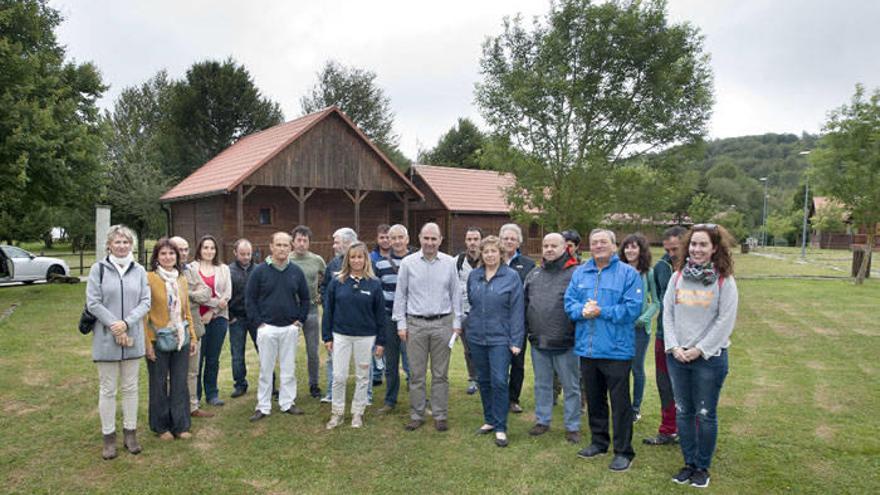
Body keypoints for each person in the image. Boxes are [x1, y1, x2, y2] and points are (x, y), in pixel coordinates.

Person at [664, 224, 738, 489]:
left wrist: (700, 349)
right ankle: (689, 463)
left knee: (705, 414)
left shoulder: (724, 280)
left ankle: (702, 467)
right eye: (693, 244)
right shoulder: (677, 277)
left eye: (703, 244)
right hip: (678, 357)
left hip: (709, 358)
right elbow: (668, 314)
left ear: (714, 248)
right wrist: (674, 347)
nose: (696, 249)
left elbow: (725, 321)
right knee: (684, 412)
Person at [564, 228, 642, 472]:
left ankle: (623, 451)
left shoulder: (627, 274)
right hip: (587, 349)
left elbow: (633, 309)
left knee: (620, 404)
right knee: (595, 400)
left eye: (603, 242)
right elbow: (569, 303)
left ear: (613, 245)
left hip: (616, 349)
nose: (598, 246)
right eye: (594, 242)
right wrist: (581, 311)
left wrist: (602, 311)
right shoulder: (580, 273)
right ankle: (599, 442)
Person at [86, 225, 151, 460]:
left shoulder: (139, 270)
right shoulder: (98, 270)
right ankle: (108, 437)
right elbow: (93, 303)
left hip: (132, 337)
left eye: (126, 242)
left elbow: (145, 301)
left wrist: (127, 322)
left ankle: (130, 433)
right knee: (108, 389)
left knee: (131, 388)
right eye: (118, 242)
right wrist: (115, 325)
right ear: (109, 245)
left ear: (131, 245)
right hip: (106, 338)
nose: (122, 246)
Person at [392, 222, 463, 432]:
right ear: (419, 238)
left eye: (434, 239)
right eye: (426, 238)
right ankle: (417, 414)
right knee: (416, 373)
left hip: (443, 324)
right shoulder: (407, 263)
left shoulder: (450, 263)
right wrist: (401, 324)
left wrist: (457, 324)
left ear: (440, 240)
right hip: (416, 324)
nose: (430, 242)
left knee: (440, 374)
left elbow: (456, 295)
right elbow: (401, 295)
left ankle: (440, 414)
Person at [466, 236, 524, 447]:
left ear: (501, 253)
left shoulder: (511, 277)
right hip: (476, 337)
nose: (490, 255)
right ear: (481, 254)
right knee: (484, 380)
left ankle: (501, 426)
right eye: (486, 251)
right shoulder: (474, 276)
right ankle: (489, 419)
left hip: (501, 338)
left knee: (499, 380)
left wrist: (516, 340)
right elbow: (472, 303)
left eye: (493, 251)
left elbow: (517, 311)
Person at [524, 233, 582, 444]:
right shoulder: (534, 274)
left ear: (565, 247)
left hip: (566, 343)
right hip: (539, 341)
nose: (549, 249)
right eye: (545, 245)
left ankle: (572, 425)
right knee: (542, 384)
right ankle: (543, 420)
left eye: (553, 246)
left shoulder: (576, 273)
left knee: (571, 386)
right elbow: (525, 303)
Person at [247, 232, 311, 421]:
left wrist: (299, 321)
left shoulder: (296, 271)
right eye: (279, 245)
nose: (282, 248)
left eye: (285, 245)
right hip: (267, 328)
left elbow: (306, 298)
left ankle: (287, 403)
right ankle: (263, 406)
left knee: (288, 368)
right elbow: (250, 299)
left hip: (289, 328)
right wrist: (259, 324)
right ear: (271, 247)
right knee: (266, 370)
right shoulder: (259, 271)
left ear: (290, 248)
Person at [322, 242, 387, 428]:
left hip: (365, 337)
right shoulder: (337, 282)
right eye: (353, 257)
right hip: (341, 335)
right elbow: (328, 310)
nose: (356, 260)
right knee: (339, 376)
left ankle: (357, 412)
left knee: (362, 377)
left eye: (360, 257)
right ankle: (337, 413)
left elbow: (380, 315)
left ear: (366, 259)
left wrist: (381, 341)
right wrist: (327, 336)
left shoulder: (374, 284)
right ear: (347, 260)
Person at [144, 238, 198, 440]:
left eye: (171, 253)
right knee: (158, 383)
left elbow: (186, 311)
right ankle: (161, 426)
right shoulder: (149, 278)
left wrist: (192, 337)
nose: (168, 257)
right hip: (158, 339)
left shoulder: (181, 279)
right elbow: (144, 314)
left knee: (179, 382)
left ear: (177, 256)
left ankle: (181, 425)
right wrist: (148, 342)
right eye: (163, 253)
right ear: (156, 257)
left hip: (180, 338)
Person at [643, 226, 687, 446]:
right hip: (665, 335)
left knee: (690, 385)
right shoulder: (661, 267)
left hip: (691, 337)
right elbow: (662, 299)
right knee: (665, 383)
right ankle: (668, 429)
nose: (671, 254)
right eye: (668, 249)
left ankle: (690, 431)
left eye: (675, 249)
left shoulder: (701, 266)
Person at [170, 236, 215, 418]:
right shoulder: (160, 273)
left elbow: (206, 293)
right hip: (170, 330)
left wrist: (185, 294)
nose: (183, 253)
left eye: (185, 249)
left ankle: (192, 407)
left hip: (193, 328)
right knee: (170, 373)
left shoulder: (191, 271)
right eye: (178, 249)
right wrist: (192, 295)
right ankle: (172, 408)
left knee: (192, 370)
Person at [618, 233, 660, 423]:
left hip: (640, 331)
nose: (630, 250)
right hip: (620, 327)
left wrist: (645, 318)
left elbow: (656, 302)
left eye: (634, 247)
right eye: (627, 247)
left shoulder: (648, 273)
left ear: (641, 250)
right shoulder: (617, 271)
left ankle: (635, 407)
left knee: (637, 369)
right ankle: (622, 406)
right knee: (620, 369)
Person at [374, 224, 414, 414]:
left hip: (411, 318)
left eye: (401, 237)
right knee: (391, 363)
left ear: (407, 239)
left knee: (413, 363)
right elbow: (377, 291)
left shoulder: (416, 261)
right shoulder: (380, 264)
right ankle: (390, 400)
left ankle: (418, 400)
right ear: (388, 241)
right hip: (389, 318)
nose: (397, 241)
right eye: (393, 238)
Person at [499, 223, 535, 413]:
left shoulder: (529, 265)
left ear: (519, 242)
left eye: (513, 238)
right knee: (498, 361)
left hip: (519, 322)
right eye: (505, 238)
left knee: (517, 362)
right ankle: (499, 396)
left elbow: (531, 294)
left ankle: (513, 399)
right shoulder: (493, 260)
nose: (509, 242)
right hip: (497, 322)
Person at [191, 235, 231, 407]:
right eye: (205, 247)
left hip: (218, 318)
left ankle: (212, 393)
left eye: (212, 248)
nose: (209, 251)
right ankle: (195, 395)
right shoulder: (191, 268)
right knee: (197, 359)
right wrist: (214, 302)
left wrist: (213, 311)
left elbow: (227, 294)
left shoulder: (223, 268)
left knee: (213, 358)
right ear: (200, 249)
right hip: (197, 319)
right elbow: (193, 294)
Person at [320, 227, 358, 403]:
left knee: (363, 361)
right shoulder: (333, 264)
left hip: (359, 321)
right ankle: (331, 393)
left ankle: (365, 395)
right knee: (332, 358)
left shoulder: (363, 262)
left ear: (349, 243)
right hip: (336, 320)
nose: (334, 246)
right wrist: (328, 305)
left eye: (337, 242)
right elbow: (325, 286)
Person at [290, 225, 327, 399]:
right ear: (293, 241)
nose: (302, 243)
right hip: (290, 312)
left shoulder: (317, 260)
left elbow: (328, 279)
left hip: (311, 310)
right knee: (288, 351)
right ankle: (288, 386)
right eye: (299, 240)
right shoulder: (286, 259)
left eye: (305, 240)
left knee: (313, 351)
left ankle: (314, 384)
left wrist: (321, 294)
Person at [454, 226, 482, 395]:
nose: (472, 243)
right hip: (464, 312)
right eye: (469, 239)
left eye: (475, 239)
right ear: (465, 241)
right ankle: (473, 378)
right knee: (468, 349)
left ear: (481, 241)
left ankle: (485, 378)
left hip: (483, 312)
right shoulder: (457, 261)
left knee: (485, 347)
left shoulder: (488, 258)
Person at [228, 238, 257, 398]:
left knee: (264, 351)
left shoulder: (259, 270)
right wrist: (230, 316)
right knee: (237, 354)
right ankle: (240, 384)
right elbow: (224, 295)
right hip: (236, 318)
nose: (246, 257)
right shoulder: (228, 271)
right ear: (235, 253)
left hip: (256, 318)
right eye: (242, 254)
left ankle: (270, 383)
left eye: (248, 254)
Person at [369, 224, 392, 387]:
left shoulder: (399, 257)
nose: (385, 240)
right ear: (377, 239)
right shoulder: (372, 258)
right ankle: (377, 373)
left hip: (394, 306)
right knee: (377, 341)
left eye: (387, 237)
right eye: (382, 237)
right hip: (378, 307)